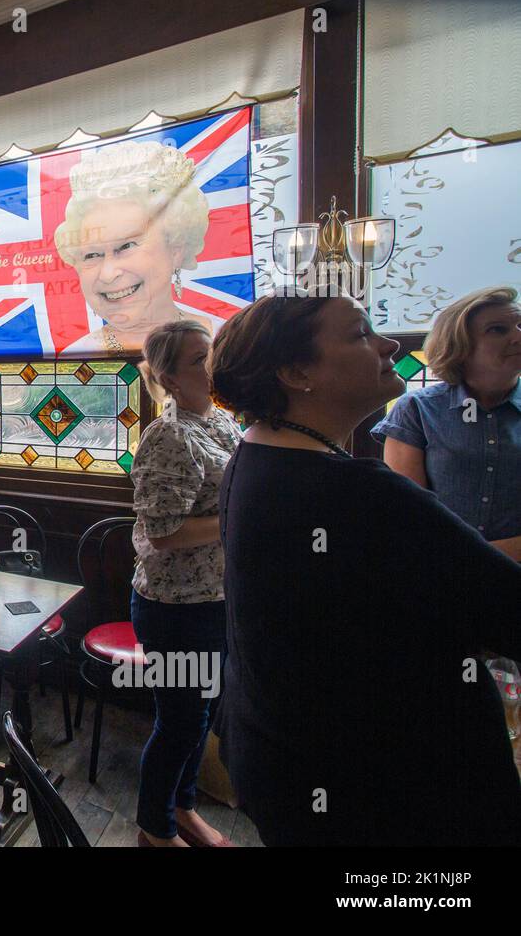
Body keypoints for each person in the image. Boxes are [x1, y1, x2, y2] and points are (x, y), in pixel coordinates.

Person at [209, 291, 521, 845]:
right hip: (381, 793)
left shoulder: (256, 455)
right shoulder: (355, 492)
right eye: (359, 334)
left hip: (286, 757)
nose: (389, 344)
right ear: (296, 371)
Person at [128, 320, 241, 847]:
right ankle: (154, 825)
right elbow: (165, 532)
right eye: (198, 359)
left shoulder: (221, 423)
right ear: (169, 378)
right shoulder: (169, 434)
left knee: (199, 714)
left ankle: (185, 807)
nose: (211, 365)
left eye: (211, 353)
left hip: (217, 598)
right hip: (175, 607)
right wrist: (241, 519)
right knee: (179, 721)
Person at [373, 285, 521, 561]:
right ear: (461, 345)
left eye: (520, 325)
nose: (518, 336)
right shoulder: (418, 409)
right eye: (498, 329)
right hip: (440, 575)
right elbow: (409, 512)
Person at [53, 141, 213, 353]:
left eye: (126, 246)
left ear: (176, 249)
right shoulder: (74, 358)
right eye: (92, 255)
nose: (108, 274)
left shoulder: (225, 344)